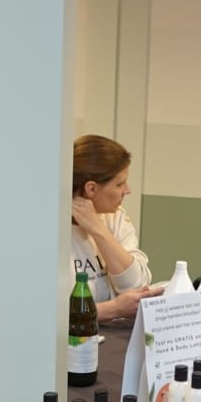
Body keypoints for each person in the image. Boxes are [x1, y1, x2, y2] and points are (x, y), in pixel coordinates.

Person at [71, 134, 158, 324]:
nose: (127, 190)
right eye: (120, 184)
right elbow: (46, 314)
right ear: (91, 189)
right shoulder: (51, 230)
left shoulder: (114, 216)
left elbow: (135, 286)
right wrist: (113, 309)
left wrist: (98, 229)